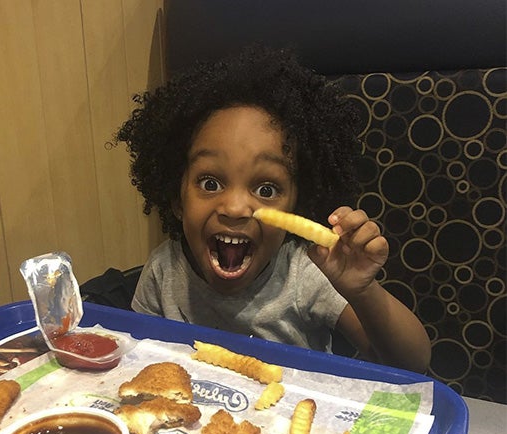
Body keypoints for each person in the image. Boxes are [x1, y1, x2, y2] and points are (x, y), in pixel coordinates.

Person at [116, 45, 431, 373]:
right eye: (210, 183)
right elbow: (140, 363)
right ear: (177, 200)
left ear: (297, 205)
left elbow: (410, 364)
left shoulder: (305, 274)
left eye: (266, 189)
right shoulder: (163, 272)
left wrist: (364, 292)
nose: (236, 208)